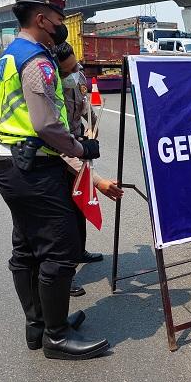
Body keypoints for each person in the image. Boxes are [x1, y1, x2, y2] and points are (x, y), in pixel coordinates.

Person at [0, 0, 109, 360]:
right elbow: (45, 124)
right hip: (31, 164)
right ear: (42, 19)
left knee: (27, 246)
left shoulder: (12, 53)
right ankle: (55, 337)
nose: (62, 26)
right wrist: (80, 147)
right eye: (59, 19)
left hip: (10, 161)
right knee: (61, 248)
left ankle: (38, 325)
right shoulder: (37, 61)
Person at [53, 42, 124, 297]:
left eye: (76, 66)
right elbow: (59, 146)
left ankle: (79, 251)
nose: (74, 73)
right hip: (59, 153)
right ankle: (64, 274)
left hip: (78, 144)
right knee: (64, 218)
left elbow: (84, 105)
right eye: (67, 70)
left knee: (79, 205)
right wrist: (97, 181)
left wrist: (93, 126)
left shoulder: (77, 74)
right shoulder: (49, 89)